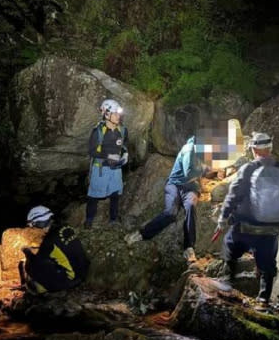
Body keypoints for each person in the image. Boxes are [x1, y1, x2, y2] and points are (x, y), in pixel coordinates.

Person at [214, 132, 279, 307]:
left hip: (246, 226)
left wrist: (223, 218)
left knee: (229, 247)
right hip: (272, 228)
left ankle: (228, 282)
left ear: (254, 149)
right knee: (267, 264)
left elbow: (233, 195)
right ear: (270, 148)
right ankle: (263, 299)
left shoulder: (248, 169)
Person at [124, 135, 211, 263]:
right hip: (175, 184)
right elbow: (188, 172)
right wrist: (205, 169)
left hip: (191, 188)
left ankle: (189, 248)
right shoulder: (188, 149)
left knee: (191, 207)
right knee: (170, 213)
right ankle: (141, 234)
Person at [19, 205, 90, 294]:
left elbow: (38, 261)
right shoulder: (66, 227)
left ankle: (39, 288)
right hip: (83, 273)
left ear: (39, 223)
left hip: (70, 279)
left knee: (30, 266)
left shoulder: (49, 241)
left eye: (33, 225)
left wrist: (27, 251)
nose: (34, 229)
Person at [85, 99, 129, 228]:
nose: (118, 116)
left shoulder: (123, 130)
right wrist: (108, 156)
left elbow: (125, 144)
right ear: (106, 114)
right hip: (100, 169)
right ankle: (89, 221)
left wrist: (125, 154)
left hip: (116, 169)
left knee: (115, 194)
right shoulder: (98, 131)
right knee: (94, 195)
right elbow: (92, 151)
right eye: (115, 114)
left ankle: (113, 220)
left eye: (118, 114)